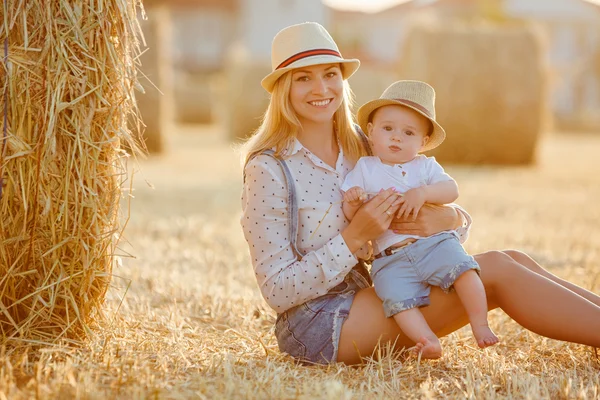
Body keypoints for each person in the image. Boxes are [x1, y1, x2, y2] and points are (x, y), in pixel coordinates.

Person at [240, 21, 600, 366]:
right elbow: (276, 291)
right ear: (282, 88)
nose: (321, 89)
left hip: (382, 288)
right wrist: (355, 237)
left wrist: (452, 217)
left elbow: (435, 211)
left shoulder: (367, 147)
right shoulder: (269, 169)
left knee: (513, 258)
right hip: (319, 322)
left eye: (330, 74)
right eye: (304, 78)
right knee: (498, 270)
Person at [341, 80, 498, 359]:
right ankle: (428, 341)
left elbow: (452, 190)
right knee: (396, 299)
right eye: (388, 129)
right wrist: (352, 200)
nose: (396, 138)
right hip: (389, 257)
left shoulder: (424, 167)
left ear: (423, 143)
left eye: (408, 132)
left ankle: (480, 323)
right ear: (371, 132)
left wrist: (423, 192)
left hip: (433, 244)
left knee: (465, 270)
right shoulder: (365, 168)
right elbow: (352, 215)